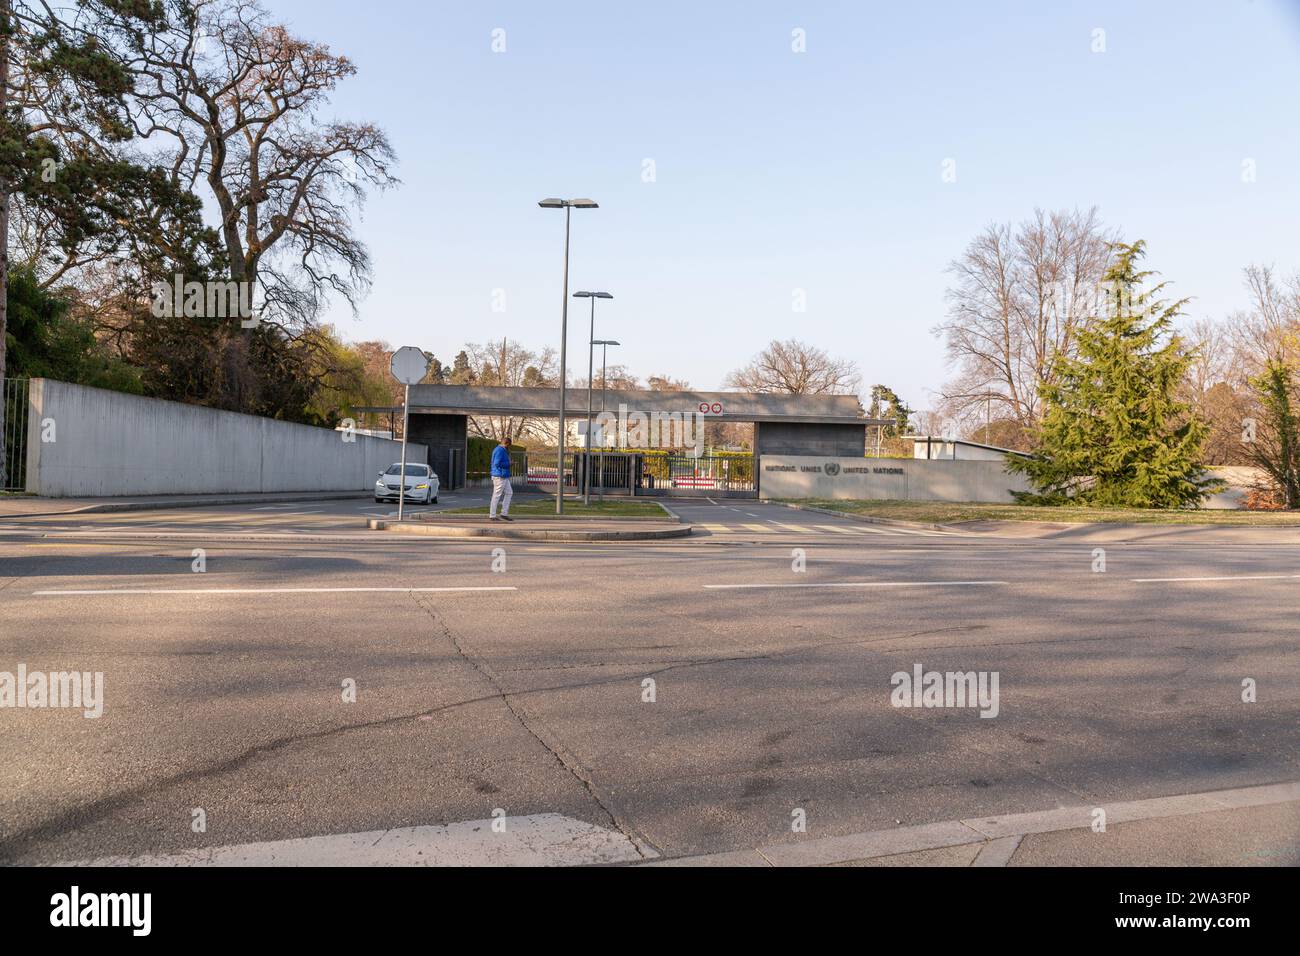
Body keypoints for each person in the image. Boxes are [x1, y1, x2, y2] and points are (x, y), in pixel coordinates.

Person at [489, 436, 514, 521]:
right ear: (506, 443)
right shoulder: (500, 450)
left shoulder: (500, 450)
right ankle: (492, 515)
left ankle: (504, 513)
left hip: (503, 475)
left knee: (509, 492)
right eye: (509, 445)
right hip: (499, 475)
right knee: (496, 495)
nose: (509, 447)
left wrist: (508, 463)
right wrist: (509, 464)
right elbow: (496, 463)